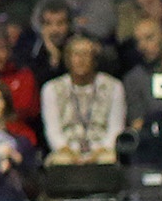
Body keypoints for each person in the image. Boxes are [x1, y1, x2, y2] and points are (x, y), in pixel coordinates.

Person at [42, 34, 126, 163]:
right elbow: (53, 131)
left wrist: (98, 153)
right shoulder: (51, 89)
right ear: (68, 59)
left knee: (109, 159)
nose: (81, 60)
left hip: (102, 150)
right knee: (62, 161)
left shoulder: (114, 86)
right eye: (76, 54)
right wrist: (70, 153)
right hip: (67, 151)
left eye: (86, 54)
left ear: (94, 59)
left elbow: (116, 128)